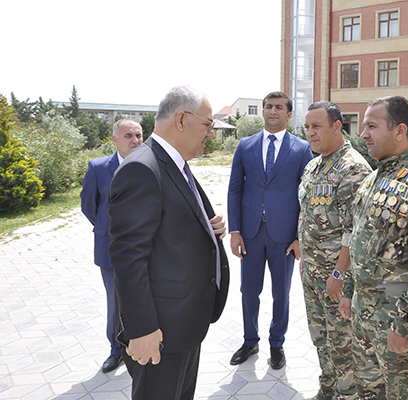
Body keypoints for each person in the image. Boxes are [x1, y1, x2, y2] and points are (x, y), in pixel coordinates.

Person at [108, 86, 230, 400]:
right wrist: (142, 330)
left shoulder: (173, 163)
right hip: (159, 332)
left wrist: (209, 226)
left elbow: (170, 226)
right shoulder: (142, 168)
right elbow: (128, 258)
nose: (211, 133)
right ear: (181, 119)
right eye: (208, 124)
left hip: (183, 325)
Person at [340, 96, 408, 399]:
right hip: (363, 315)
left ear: (400, 131)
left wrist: (405, 324)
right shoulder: (372, 180)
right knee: (367, 392)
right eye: (363, 126)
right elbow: (359, 241)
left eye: (372, 126)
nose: (363, 134)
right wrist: (348, 290)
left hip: (395, 322)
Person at [227, 91, 313, 369]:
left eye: (278, 107)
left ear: (288, 114)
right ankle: (250, 341)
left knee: (281, 293)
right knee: (248, 291)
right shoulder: (245, 145)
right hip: (250, 233)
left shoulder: (301, 148)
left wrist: (299, 237)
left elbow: (308, 196)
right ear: (262, 111)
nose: (272, 111)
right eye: (268, 107)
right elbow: (235, 189)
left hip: (284, 235)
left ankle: (277, 343)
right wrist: (235, 231)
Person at [298, 101, 371, 400]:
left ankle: (346, 395)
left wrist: (340, 274)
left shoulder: (353, 168)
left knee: (343, 347)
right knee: (321, 340)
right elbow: (307, 215)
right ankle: (327, 390)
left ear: (337, 126)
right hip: (313, 274)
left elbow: (354, 232)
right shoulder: (314, 165)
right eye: (307, 127)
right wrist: (304, 259)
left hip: (336, 279)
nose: (310, 133)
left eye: (316, 126)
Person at [80, 118, 142, 373]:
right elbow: (88, 206)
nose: (135, 140)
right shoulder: (98, 168)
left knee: (145, 298)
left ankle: (142, 345)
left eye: (138, 135)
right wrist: (107, 229)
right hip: (110, 248)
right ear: (115, 140)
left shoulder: (148, 165)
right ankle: (116, 350)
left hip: (145, 248)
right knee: (115, 302)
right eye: (128, 136)